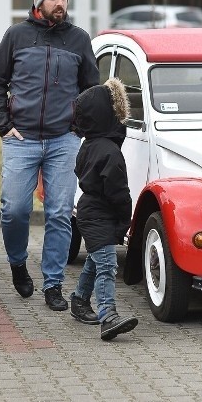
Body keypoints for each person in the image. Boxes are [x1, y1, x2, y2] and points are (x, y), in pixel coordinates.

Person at [0, 0, 100, 309]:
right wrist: (2, 124)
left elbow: (91, 90)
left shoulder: (78, 39)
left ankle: (53, 284)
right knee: (15, 209)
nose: (60, 3)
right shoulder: (16, 35)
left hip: (63, 140)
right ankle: (18, 264)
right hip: (20, 139)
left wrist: (80, 127)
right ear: (39, 2)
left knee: (60, 213)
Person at [70, 78, 138, 341]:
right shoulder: (110, 151)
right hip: (100, 214)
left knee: (95, 260)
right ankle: (107, 315)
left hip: (89, 210)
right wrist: (126, 217)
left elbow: (80, 171)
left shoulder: (89, 143)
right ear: (109, 115)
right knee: (108, 265)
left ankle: (78, 300)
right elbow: (118, 192)